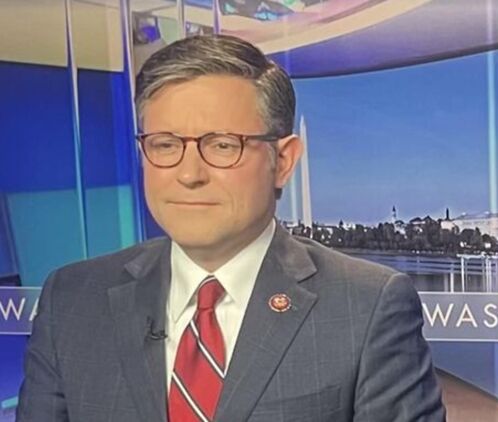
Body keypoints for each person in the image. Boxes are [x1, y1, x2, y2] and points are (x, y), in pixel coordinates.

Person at [17, 34, 445, 422]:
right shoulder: (72, 298)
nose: (189, 174)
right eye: (165, 144)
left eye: (222, 146)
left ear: (283, 161)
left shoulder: (366, 306)